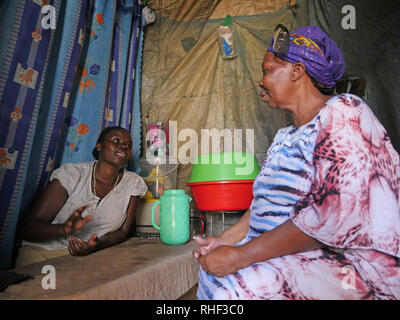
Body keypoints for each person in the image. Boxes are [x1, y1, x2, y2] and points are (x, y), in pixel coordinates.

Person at [194, 25, 400, 300]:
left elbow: (335, 215)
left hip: (341, 264)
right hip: (277, 252)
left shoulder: (345, 112)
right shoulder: (284, 137)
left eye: (267, 70)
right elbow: (263, 205)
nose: (260, 80)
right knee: (211, 274)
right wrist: (223, 242)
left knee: (236, 289)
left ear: (297, 70)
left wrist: (241, 256)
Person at [16, 126, 147, 267]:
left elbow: (122, 231)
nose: (123, 146)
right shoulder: (72, 174)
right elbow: (28, 229)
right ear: (99, 145)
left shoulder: (133, 183)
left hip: (91, 256)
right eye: (116, 140)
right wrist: (64, 229)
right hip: (44, 253)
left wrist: (96, 245)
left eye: (128, 146)